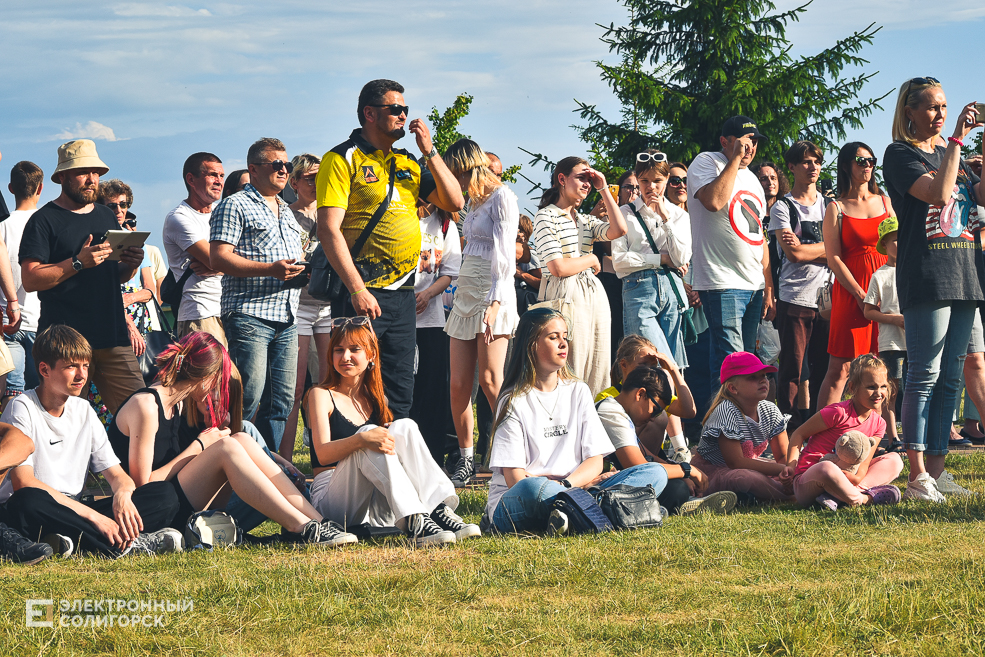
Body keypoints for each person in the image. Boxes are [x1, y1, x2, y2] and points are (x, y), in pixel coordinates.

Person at [108, 330, 355, 546]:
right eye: (218, 381)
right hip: (150, 510)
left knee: (241, 439)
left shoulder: (178, 404)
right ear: (206, 376)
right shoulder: (147, 405)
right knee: (227, 446)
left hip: (176, 499)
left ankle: (318, 523)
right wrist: (200, 446)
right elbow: (144, 486)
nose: (219, 390)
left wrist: (277, 459)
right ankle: (300, 529)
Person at [316, 79, 464, 420]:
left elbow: (455, 201)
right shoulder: (342, 158)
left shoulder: (408, 161)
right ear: (369, 113)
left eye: (405, 109)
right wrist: (357, 289)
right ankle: (341, 464)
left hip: (404, 295)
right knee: (350, 383)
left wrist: (430, 152)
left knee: (398, 388)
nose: (403, 115)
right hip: (362, 290)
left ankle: (389, 462)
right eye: (394, 109)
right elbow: (328, 229)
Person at [882, 77, 983, 501]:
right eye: (931, 107)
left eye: (944, 106)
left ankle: (938, 473)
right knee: (924, 373)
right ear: (909, 111)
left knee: (951, 380)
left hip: (965, 270)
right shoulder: (899, 154)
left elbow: (973, 200)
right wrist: (959, 137)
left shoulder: (951, 153)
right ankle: (917, 474)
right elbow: (940, 195)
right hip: (927, 273)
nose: (940, 114)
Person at [0, 325, 183, 557]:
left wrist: (122, 495)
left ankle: (70, 541)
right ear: (44, 370)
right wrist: (95, 518)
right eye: (71, 367)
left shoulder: (84, 409)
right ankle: (124, 545)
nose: (82, 375)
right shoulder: (22, 407)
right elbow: (23, 483)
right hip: (35, 508)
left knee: (164, 495)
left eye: (85, 365)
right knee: (28, 500)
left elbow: (117, 475)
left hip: (74, 511)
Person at [485, 307, 667, 535]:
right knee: (534, 489)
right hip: (524, 498)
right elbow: (516, 480)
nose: (563, 343)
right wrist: (578, 486)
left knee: (654, 473)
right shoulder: (512, 399)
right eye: (553, 337)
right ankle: (608, 508)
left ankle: (573, 513)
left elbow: (595, 460)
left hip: (573, 486)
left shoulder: (578, 391)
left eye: (565, 336)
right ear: (532, 345)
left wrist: (568, 485)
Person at [305, 317, 479, 547]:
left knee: (404, 425)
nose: (345, 357)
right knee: (368, 434)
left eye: (354, 349)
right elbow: (323, 454)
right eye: (339, 350)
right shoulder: (320, 394)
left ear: (371, 356)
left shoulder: (378, 398)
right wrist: (361, 439)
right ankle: (415, 521)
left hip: (376, 502)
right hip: (332, 499)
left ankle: (437, 508)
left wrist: (371, 439)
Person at [20, 139, 145, 415]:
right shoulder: (43, 221)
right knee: (62, 422)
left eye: (96, 172)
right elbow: (30, 279)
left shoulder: (106, 215)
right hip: (65, 344)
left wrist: (131, 266)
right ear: (62, 177)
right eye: (83, 172)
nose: (92, 179)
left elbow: (114, 277)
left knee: (141, 414)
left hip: (112, 338)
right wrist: (77, 262)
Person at [210, 137, 305, 451]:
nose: (283, 170)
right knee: (247, 398)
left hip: (288, 316)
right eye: (276, 164)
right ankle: (228, 468)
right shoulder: (233, 204)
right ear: (253, 168)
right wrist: (271, 269)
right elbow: (219, 257)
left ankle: (272, 471)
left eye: (287, 165)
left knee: (282, 401)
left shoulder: (286, 210)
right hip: (251, 314)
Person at [443, 139, 520, 486]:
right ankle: (466, 459)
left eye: (455, 172)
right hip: (466, 289)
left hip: (493, 292)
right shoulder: (473, 202)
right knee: (459, 383)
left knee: (491, 380)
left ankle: (512, 457)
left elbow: (506, 257)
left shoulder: (504, 196)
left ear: (466, 167)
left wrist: (496, 302)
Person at [687, 116, 775, 382]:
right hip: (722, 281)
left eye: (754, 142)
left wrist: (768, 286)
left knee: (746, 363)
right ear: (725, 142)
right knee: (734, 364)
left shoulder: (754, 182)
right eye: (744, 141)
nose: (750, 148)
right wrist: (734, 160)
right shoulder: (706, 161)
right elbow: (714, 201)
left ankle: (732, 421)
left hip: (753, 285)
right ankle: (726, 423)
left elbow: (759, 236)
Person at [531, 157, 629, 395]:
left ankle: (590, 421)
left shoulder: (584, 220)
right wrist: (591, 260)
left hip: (592, 295)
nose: (587, 184)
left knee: (598, 365)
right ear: (562, 179)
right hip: (563, 293)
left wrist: (603, 188)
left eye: (589, 179)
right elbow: (557, 268)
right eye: (581, 178)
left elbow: (619, 230)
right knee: (569, 365)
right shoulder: (546, 216)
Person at [596, 363, 737, 515]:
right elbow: (637, 465)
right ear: (640, 394)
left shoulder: (620, 412)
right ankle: (664, 506)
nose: (653, 418)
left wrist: (683, 474)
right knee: (674, 487)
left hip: (614, 481)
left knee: (677, 485)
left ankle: (669, 505)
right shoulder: (611, 411)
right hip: (597, 486)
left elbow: (647, 456)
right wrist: (686, 470)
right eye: (655, 410)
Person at [816, 142, 894, 407]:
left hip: (885, 289)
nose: (868, 165)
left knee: (882, 366)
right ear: (847, 165)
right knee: (840, 368)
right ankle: (820, 435)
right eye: (861, 161)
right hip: (852, 291)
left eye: (871, 160)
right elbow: (834, 259)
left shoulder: (885, 202)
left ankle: (879, 433)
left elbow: (899, 245)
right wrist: (862, 295)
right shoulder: (835, 208)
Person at [782, 355, 904, 509]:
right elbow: (799, 434)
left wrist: (857, 478)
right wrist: (791, 466)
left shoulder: (879, 424)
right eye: (871, 387)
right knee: (827, 467)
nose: (878, 393)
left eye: (883, 386)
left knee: (895, 460)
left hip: (847, 479)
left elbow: (864, 464)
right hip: (810, 479)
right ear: (853, 388)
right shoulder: (838, 412)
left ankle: (837, 496)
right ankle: (862, 499)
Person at [768, 141, 832, 432]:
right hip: (794, 297)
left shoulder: (830, 204)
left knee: (824, 369)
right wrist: (827, 248)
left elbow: (841, 249)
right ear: (792, 167)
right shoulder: (783, 207)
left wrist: (812, 249)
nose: (813, 167)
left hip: (828, 300)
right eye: (806, 162)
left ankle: (819, 429)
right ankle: (788, 432)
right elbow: (792, 254)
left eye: (817, 161)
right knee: (792, 371)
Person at [613, 149, 692, 370]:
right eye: (644, 180)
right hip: (639, 289)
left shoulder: (679, 216)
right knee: (653, 361)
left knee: (676, 364)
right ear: (637, 180)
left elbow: (681, 257)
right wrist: (660, 259)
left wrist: (665, 217)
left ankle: (678, 405)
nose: (651, 187)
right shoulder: (625, 213)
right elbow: (619, 261)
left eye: (657, 180)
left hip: (672, 291)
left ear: (667, 179)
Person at [280, 153, 333, 460]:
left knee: (327, 386)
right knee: (295, 388)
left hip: (327, 305)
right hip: (298, 304)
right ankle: (286, 462)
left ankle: (324, 458)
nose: (316, 183)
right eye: (310, 177)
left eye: (320, 177)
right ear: (295, 181)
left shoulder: (332, 213)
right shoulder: (286, 215)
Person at [691, 351, 793, 502]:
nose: (763, 381)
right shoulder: (726, 410)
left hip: (748, 467)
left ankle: (785, 489)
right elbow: (736, 462)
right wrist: (781, 470)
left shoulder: (770, 410)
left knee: (789, 468)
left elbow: (783, 457)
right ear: (732, 388)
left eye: (764, 375)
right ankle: (790, 496)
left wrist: (787, 473)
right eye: (753, 377)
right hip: (713, 473)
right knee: (744, 478)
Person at [410, 201, 461, 466]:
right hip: (396, 315)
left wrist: (428, 295)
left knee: (432, 391)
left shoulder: (445, 223)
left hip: (431, 319)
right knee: (403, 391)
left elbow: (450, 272)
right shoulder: (400, 211)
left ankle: (432, 460)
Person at [598, 334, 695, 463]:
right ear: (624, 365)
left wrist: (672, 370)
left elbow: (689, 411)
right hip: (620, 459)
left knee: (660, 416)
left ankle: (677, 452)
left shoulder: (654, 395)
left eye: (653, 366)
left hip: (650, 457)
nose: (649, 370)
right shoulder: (607, 398)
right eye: (643, 365)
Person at [162, 152, 226, 345]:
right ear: (191, 179)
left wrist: (217, 268)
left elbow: (247, 255)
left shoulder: (222, 213)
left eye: (222, 176)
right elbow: (216, 259)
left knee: (237, 377)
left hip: (230, 309)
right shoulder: (179, 218)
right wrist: (219, 263)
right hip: (201, 313)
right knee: (210, 375)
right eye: (213, 175)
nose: (219, 181)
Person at [2, 161, 43, 401]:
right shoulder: (46, 223)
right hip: (40, 320)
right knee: (43, 394)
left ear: (10, 188)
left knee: (12, 394)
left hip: (7, 321)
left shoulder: (2, 225)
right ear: (40, 188)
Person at [862, 217, 905, 449]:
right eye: (895, 240)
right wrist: (896, 320)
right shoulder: (881, 275)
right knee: (891, 391)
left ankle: (912, 434)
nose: (900, 244)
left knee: (914, 390)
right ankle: (892, 437)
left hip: (915, 341)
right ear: (885, 245)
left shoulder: (915, 270)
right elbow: (869, 311)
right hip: (892, 343)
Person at [99, 179, 156, 340]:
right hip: (107, 317)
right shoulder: (98, 239)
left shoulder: (137, 241)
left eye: (123, 205)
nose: (119, 210)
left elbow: (150, 289)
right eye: (112, 205)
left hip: (137, 317)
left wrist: (129, 298)